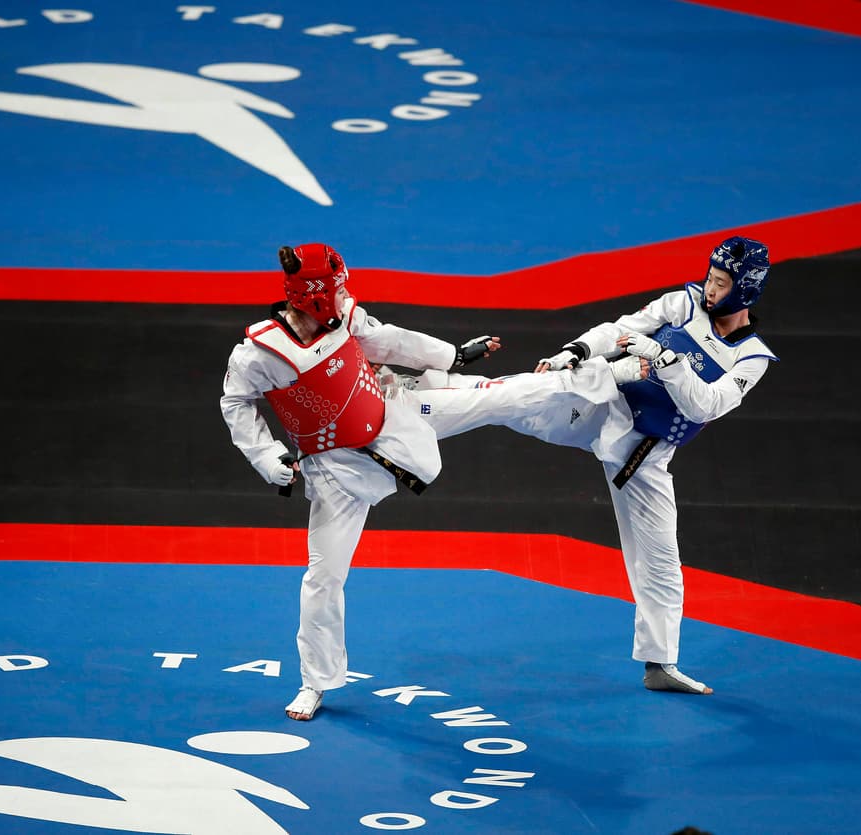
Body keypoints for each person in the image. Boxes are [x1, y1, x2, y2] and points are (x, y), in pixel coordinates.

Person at [220, 243, 641, 720]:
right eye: (336, 288)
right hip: (338, 470)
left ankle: (609, 375)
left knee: (497, 398)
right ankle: (315, 682)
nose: (344, 295)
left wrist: (453, 356)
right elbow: (235, 404)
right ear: (313, 294)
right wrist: (267, 455)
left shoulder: (348, 320)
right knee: (323, 578)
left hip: (398, 413)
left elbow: (394, 342)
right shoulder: (258, 354)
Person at [443, 235, 778, 694]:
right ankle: (424, 393)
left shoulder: (752, 358)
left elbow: (706, 405)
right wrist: (576, 351)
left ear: (746, 289)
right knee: (511, 399)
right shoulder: (684, 303)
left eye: (720, 282)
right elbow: (619, 329)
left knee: (661, 560)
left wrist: (665, 359)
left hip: (646, 453)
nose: (710, 288)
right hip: (603, 402)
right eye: (711, 277)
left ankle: (659, 664)